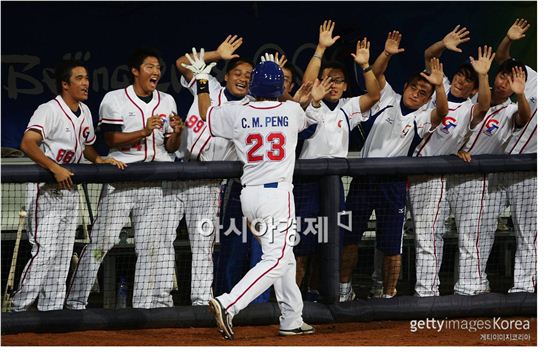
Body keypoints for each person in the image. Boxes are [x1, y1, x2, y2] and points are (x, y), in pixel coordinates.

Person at [187, 50, 331, 339]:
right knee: (276, 260)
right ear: (280, 88)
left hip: (248, 196)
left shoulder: (238, 111)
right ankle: (229, 303)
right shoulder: (290, 111)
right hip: (276, 197)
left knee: (284, 257)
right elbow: (308, 116)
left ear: (253, 86)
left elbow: (206, 112)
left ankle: (291, 318)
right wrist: (312, 99)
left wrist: (202, 80)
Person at [66, 48, 183, 309]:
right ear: (135, 71)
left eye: (158, 67)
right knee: (101, 243)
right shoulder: (115, 99)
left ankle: (145, 305)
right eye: (150, 66)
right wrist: (143, 131)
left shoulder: (167, 101)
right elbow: (110, 139)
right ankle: (75, 301)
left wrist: (176, 133)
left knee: (151, 248)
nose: (156, 72)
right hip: (122, 180)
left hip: (155, 180)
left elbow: (171, 147)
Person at [341, 31, 448, 300]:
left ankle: (389, 296)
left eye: (423, 93)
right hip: (364, 180)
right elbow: (376, 75)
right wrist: (386, 54)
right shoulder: (387, 98)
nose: (417, 94)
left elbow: (443, 113)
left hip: (393, 185)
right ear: (406, 86)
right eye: (414, 88)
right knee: (349, 238)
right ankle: (344, 290)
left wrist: (439, 87)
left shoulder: (423, 117)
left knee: (391, 246)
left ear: (426, 99)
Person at [12, 60, 125, 312]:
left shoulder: (84, 110)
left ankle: (50, 312)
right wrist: (54, 167)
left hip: (69, 188)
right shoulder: (48, 110)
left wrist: (99, 158)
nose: (86, 83)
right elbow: (27, 143)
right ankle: (17, 310)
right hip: (46, 189)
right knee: (45, 252)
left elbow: (86, 145)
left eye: (86, 77)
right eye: (79, 78)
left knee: (63, 257)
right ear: (65, 84)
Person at [176, 40, 271, 304]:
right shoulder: (210, 87)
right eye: (238, 73)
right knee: (160, 242)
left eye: (249, 76)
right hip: (177, 171)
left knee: (203, 246)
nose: (242, 79)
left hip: (209, 181)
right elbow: (180, 63)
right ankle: (153, 301)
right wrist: (216, 54)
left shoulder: (251, 107)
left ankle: (201, 301)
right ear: (226, 75)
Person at [296, 20, 382, 300]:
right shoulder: (309, 104)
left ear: (346, 87)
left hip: (334, 187)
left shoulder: (348, 108)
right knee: (302, 245)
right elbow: (307, 85)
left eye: (339, 81)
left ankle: (321, 293)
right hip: (307, 183)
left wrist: (366, 66)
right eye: (328, 79)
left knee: (330, 242)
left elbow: (374, 94)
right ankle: (295, 298)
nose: (333, 85)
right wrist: (321, 48)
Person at [409, 25, 494, 297]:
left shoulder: (471, 107)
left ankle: (434, 291)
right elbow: (428, 55)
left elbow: (485, 103)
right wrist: (443, 44)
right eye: (460, 75)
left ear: (472, 87)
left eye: (468, 80)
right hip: (417, 166)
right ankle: (418, 291)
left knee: (435, 235)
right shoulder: (440, 84)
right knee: (420, 236)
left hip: (442, 175)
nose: (461, 81)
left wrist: (482, 76)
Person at [454, 53, 531, 295]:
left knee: (475, 234)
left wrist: (520, 94)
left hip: (479, 179)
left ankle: (472, 285)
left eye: (510, 80)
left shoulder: (512, 111)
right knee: (438, 235)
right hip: (446, 169)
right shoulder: (473, 93)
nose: (502, 82)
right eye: (502, 75)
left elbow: (524, 118)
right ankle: (437, 290)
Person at [473, 18, 536, 294]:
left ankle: (523, 286)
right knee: (481, 226)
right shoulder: (532, 77)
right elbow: (502, 59)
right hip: (499, 164)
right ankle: (474, 283)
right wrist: (508, 39)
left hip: (530, 170)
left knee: (527, 232)